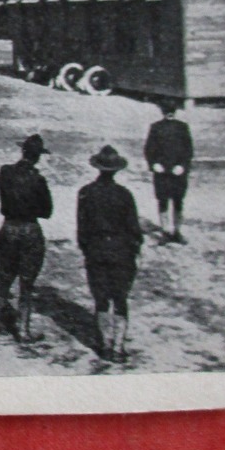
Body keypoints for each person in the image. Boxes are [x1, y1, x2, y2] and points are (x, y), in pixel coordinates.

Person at [77, 145, 144, 361]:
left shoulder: (86, 192)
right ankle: (118, 347)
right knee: (121, 298)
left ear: (98, 168)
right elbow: (134, 228)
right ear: (116, 170)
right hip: (121, 251)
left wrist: (88, 249)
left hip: (96, 250)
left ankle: (104, 345)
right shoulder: (124, 195)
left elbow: (82, 228)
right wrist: (135, 249)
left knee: (101, 299)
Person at [0, 134, 54, 341]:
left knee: (5, 277)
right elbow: (47, 211)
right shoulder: (38, 180)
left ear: (23, 151)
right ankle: (23, 328)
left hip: (8, 227)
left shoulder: (5, 172)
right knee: (26, 283)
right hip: (29, 229)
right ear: (38, 157)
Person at [145, 99, 195, 243]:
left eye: (171, 111)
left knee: (178, 200)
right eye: (167, 111)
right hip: (161, 172)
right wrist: (154, 164)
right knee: (163, 200)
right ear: (163, 112)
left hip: (178, 172)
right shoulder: (155, 127)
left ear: (175, 112)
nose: (169, 114)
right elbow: (149, 149)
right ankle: (165, 232)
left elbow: (188, 150)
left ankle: (177, 231)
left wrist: (182, 166)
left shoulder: (182, 127)